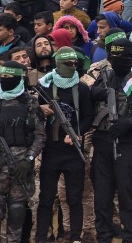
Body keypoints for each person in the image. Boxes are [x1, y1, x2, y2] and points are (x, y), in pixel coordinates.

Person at [90, 30, 132, 243]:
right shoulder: (103, 77)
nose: (116, 61)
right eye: (113, 57)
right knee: (102, 196)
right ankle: (104, 235)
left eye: (121, 57)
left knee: (128, 194)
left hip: (128, 142)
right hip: (102, 142)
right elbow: (90, 99)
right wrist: (99, 92)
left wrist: (127, 124)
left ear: (130, 57)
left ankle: (130, 236)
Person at [35, 47, 93, 243]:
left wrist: (77, 133)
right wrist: (40, 109)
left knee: (74, 198)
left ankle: (74, 236)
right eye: (68, 63)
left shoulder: (82, 88)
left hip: (73, 150)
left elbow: (88, 117)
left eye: (75, 63)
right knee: (46, 198)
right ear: (58, 64)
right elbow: (33, 114)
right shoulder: (44, 87)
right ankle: (41, 236)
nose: (72, 66)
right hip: (51, 151)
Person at [0, 60, 44, 243]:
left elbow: (40, 136)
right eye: (2, 76)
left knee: (18, 210)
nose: (5, 79)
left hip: (21, 168)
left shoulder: (30, 103)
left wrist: (29, 159)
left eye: (9, 77)